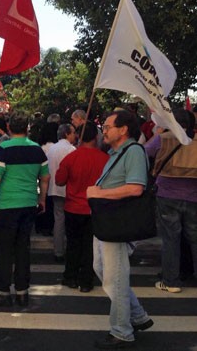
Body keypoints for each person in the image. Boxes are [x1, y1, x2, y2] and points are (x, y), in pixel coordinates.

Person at [86, 110, 153, 348]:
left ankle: (122, 331)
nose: (103, 131)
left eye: (107, 127)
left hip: (118, 223)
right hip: (107, 222)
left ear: (123, 129)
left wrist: (99, 193)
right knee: (101, 269)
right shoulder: (117, 152)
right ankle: (138, 316)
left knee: (115, 280)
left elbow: (136, 188)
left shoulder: (133, 151)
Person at [0, 111, 50, 308]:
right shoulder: (37, 150)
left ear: (9, 128)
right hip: (29, 204)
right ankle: (22, 292)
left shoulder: (4, 149)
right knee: (22, 249)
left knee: (4, 251)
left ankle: (2, 291)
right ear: (27, 128)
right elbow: (45, 178)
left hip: (7, 205)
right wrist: (42, 199)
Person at [145, 108, 197, 293]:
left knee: (170, 239)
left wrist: (157, 134)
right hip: (193, 196)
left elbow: (144, 152)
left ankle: (171, 281)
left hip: (166, 195)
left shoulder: (164, 138)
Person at [55, 121, 109, 292]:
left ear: (79, 136)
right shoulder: (106, 159)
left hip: (73, 207)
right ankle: (86, 280)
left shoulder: (71, 158)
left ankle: (70, 276)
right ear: (96, 137)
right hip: (95, 209)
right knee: (90, 247)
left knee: (73, 244)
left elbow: (60, 180)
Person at [45, 123, 77, 263]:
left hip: (54, 188)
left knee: (58, 219)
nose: (75, 135)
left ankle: (58, 250)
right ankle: (70, 249)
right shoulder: (71, 149)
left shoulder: (51, 149)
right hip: (69, 188)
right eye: (73, 133)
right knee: (70, 221)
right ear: (67, 134)